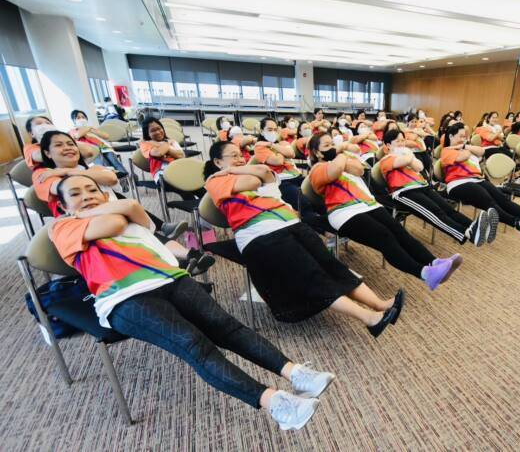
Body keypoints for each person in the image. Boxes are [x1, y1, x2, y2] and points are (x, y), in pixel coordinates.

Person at [50, 174, 332, 430]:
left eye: (92, 190)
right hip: (125, 299)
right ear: (62, 206)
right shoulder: (63, 227)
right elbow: (114, 222)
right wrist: (102, 210)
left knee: (228, 327)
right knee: (195, 345)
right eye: (75, 194)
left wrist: (101, 209)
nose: (86, 196)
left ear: (104, 194)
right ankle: (277, 404)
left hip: (171, 278)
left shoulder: (120, 211)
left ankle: (296, 373)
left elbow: (133, 206)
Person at [203, 141, 403, 336]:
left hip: (292, 225)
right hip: (261, 236)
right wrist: (235, 172)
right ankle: (369, 318)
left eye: (241, 155)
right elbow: (254, 181)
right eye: (233, 156)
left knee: (334, 267)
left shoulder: (245, 172)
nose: (240, 159)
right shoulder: (215, 181)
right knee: (314, 277)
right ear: (218, 162)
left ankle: (380, 304)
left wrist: (234, 169)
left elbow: (264, 172)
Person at [34, 130, 211, 270]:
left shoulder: (89, 167)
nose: (68, 148)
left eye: (71, 144)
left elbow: (110, 178)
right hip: (87, 224)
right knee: (137, 235)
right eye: (59, 145)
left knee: (144, 232)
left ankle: (185, 260)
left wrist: (67, 171)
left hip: (115, 212)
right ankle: (180, 263)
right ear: (47, 153)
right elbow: (64, 189)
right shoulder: (43, 175)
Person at [308, 133, 461, 290]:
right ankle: (425, 274)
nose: (332, 148)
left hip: (369, 205)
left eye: (333, 144)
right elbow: (336, 169)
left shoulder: (341, 160)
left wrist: (341, 159)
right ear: (317, 152)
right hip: (344, 212)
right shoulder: (317, 170)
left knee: (400, 232)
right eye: (327, 146)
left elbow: (359, 170)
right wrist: (341, 153)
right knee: (384, 236)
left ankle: (434, 262)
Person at [381, 129, 490, 246]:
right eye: (398, 141)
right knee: (436, 213)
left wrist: (408, 154)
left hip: (422, 186)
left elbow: (419, 167)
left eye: (403, 140)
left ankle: (475, 227)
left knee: (448, 210)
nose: (402, 144)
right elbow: (406, 160)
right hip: (404, 192)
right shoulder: (386, 160)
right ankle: (467, 233)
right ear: (388, 145)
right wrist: (408, 154)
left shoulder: (406, 155)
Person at [441, 123, 520, 235]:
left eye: (464, 137)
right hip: (458, 183)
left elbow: (481, 151)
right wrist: (465, 148)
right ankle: (516, 222)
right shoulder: (446, 151)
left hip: (477, 179)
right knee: (489, 201)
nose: (463, 139)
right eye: (460, 136)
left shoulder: (464, 148)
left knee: (502, 199)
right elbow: (463, 157)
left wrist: (464, 146)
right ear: (451, 136)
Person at [251, 118, 327, 232]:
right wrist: (281, 151)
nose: (273, 132)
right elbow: (277, 161)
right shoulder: (259, 147)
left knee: (320, 195)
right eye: (269, 129)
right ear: (262, 131)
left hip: (297, 176)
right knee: (303, 203)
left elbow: (291, 153)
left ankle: (331, 224)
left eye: (275, 129)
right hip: (281, 181)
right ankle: (324, 231)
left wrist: (272, 145)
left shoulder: (281, 143)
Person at [140, 117, 205, 200]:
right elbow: (158, 153)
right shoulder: (145, 144)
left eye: (159, 128)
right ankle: (195, 208)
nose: (158, 132)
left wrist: (163, 147)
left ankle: (209, 206)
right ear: (147, 133)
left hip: (178, 172)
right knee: (185, 190)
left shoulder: (171, 141)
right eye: (153, 131)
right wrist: (167, 144)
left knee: (200, 188)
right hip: (162, 176)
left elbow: (181, 156)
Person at [69, 110, 129, 177]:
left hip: (102, 146)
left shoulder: (91, 129)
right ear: (74, 120)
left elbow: (106, 136)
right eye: (78, 118)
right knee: (104, 165)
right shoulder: (73, 130)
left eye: (83, 117)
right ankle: (112, 178)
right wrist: (87, 128)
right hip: (92, 151)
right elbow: (77, 135)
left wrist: (92, 130)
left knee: (114, 161)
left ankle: (126, 177)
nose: (81, 119)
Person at [23, 115, 96, 169]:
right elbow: (41, 156)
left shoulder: (64, 140)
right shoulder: (30, 147)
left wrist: (63, 138)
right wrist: (45, 139)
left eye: (48, 123)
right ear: (31, 133)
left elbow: (88, 152)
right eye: (39, 124)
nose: (45, 125)